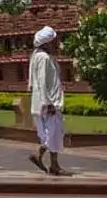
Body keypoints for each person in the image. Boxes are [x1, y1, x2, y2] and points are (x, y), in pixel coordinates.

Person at [28, 25, 69, 176]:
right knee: (52, 133)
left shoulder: (38, 56)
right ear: (47, 42)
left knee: (54, 133)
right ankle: (38, 153)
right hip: (48, 104)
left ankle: (54, 166)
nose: (56, 43)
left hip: (45, 102)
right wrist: (49, 103)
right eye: (54, 41)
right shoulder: (43, 58)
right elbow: (41, 82)